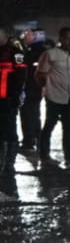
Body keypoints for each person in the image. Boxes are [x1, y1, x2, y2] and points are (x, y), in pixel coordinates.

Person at [37, 27, 70, 166]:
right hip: (54, 97)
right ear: (61, 39)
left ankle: (69, 157)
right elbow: (40, 74)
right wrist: (45, 89)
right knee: (49, 126)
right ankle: (44, 155)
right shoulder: (50, 54)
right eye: (67, 38)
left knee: (69, 128)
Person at [18, 29, 50, 155]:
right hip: (36, 87)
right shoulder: (43, 51)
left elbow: (27, 71)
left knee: (27, 114)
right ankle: (36, 139)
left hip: (31, 87)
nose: (25, 37)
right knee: (34, 114)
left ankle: (29, 141)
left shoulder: (32, 51)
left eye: (28, 35)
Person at [0, 28, 25, 175]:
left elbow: (21, 75)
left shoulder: (15, 53)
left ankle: (9, 163)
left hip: (9, 99)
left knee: (10, 131)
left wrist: (16, 95)